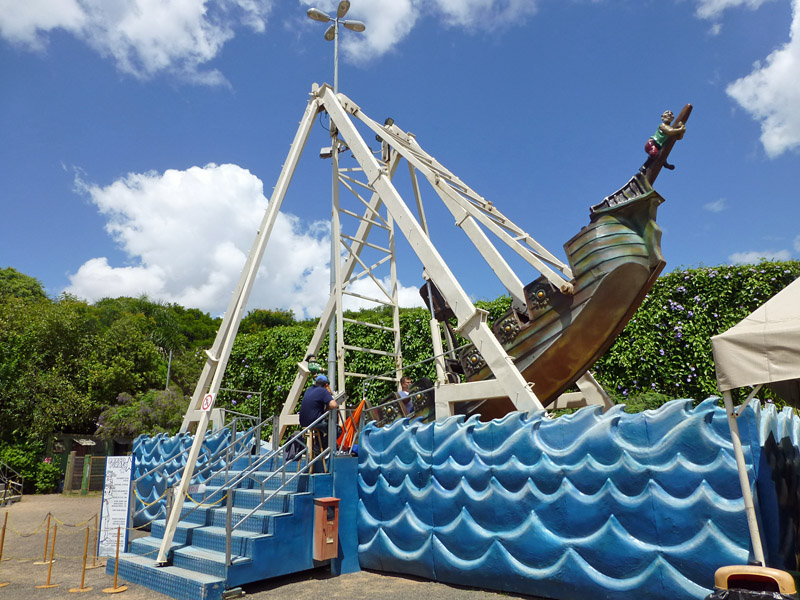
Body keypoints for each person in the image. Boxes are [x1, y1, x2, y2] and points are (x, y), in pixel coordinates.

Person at [299, 374, 337, 471]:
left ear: (315, 382)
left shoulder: (308, 390)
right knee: (336, 430)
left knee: (321, 429)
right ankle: (317, 447)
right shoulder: (323, 391)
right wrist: (330, 394)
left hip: (303, 422)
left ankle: (317, 446)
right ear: (326, 385)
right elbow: (334, 405)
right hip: (314, 422)